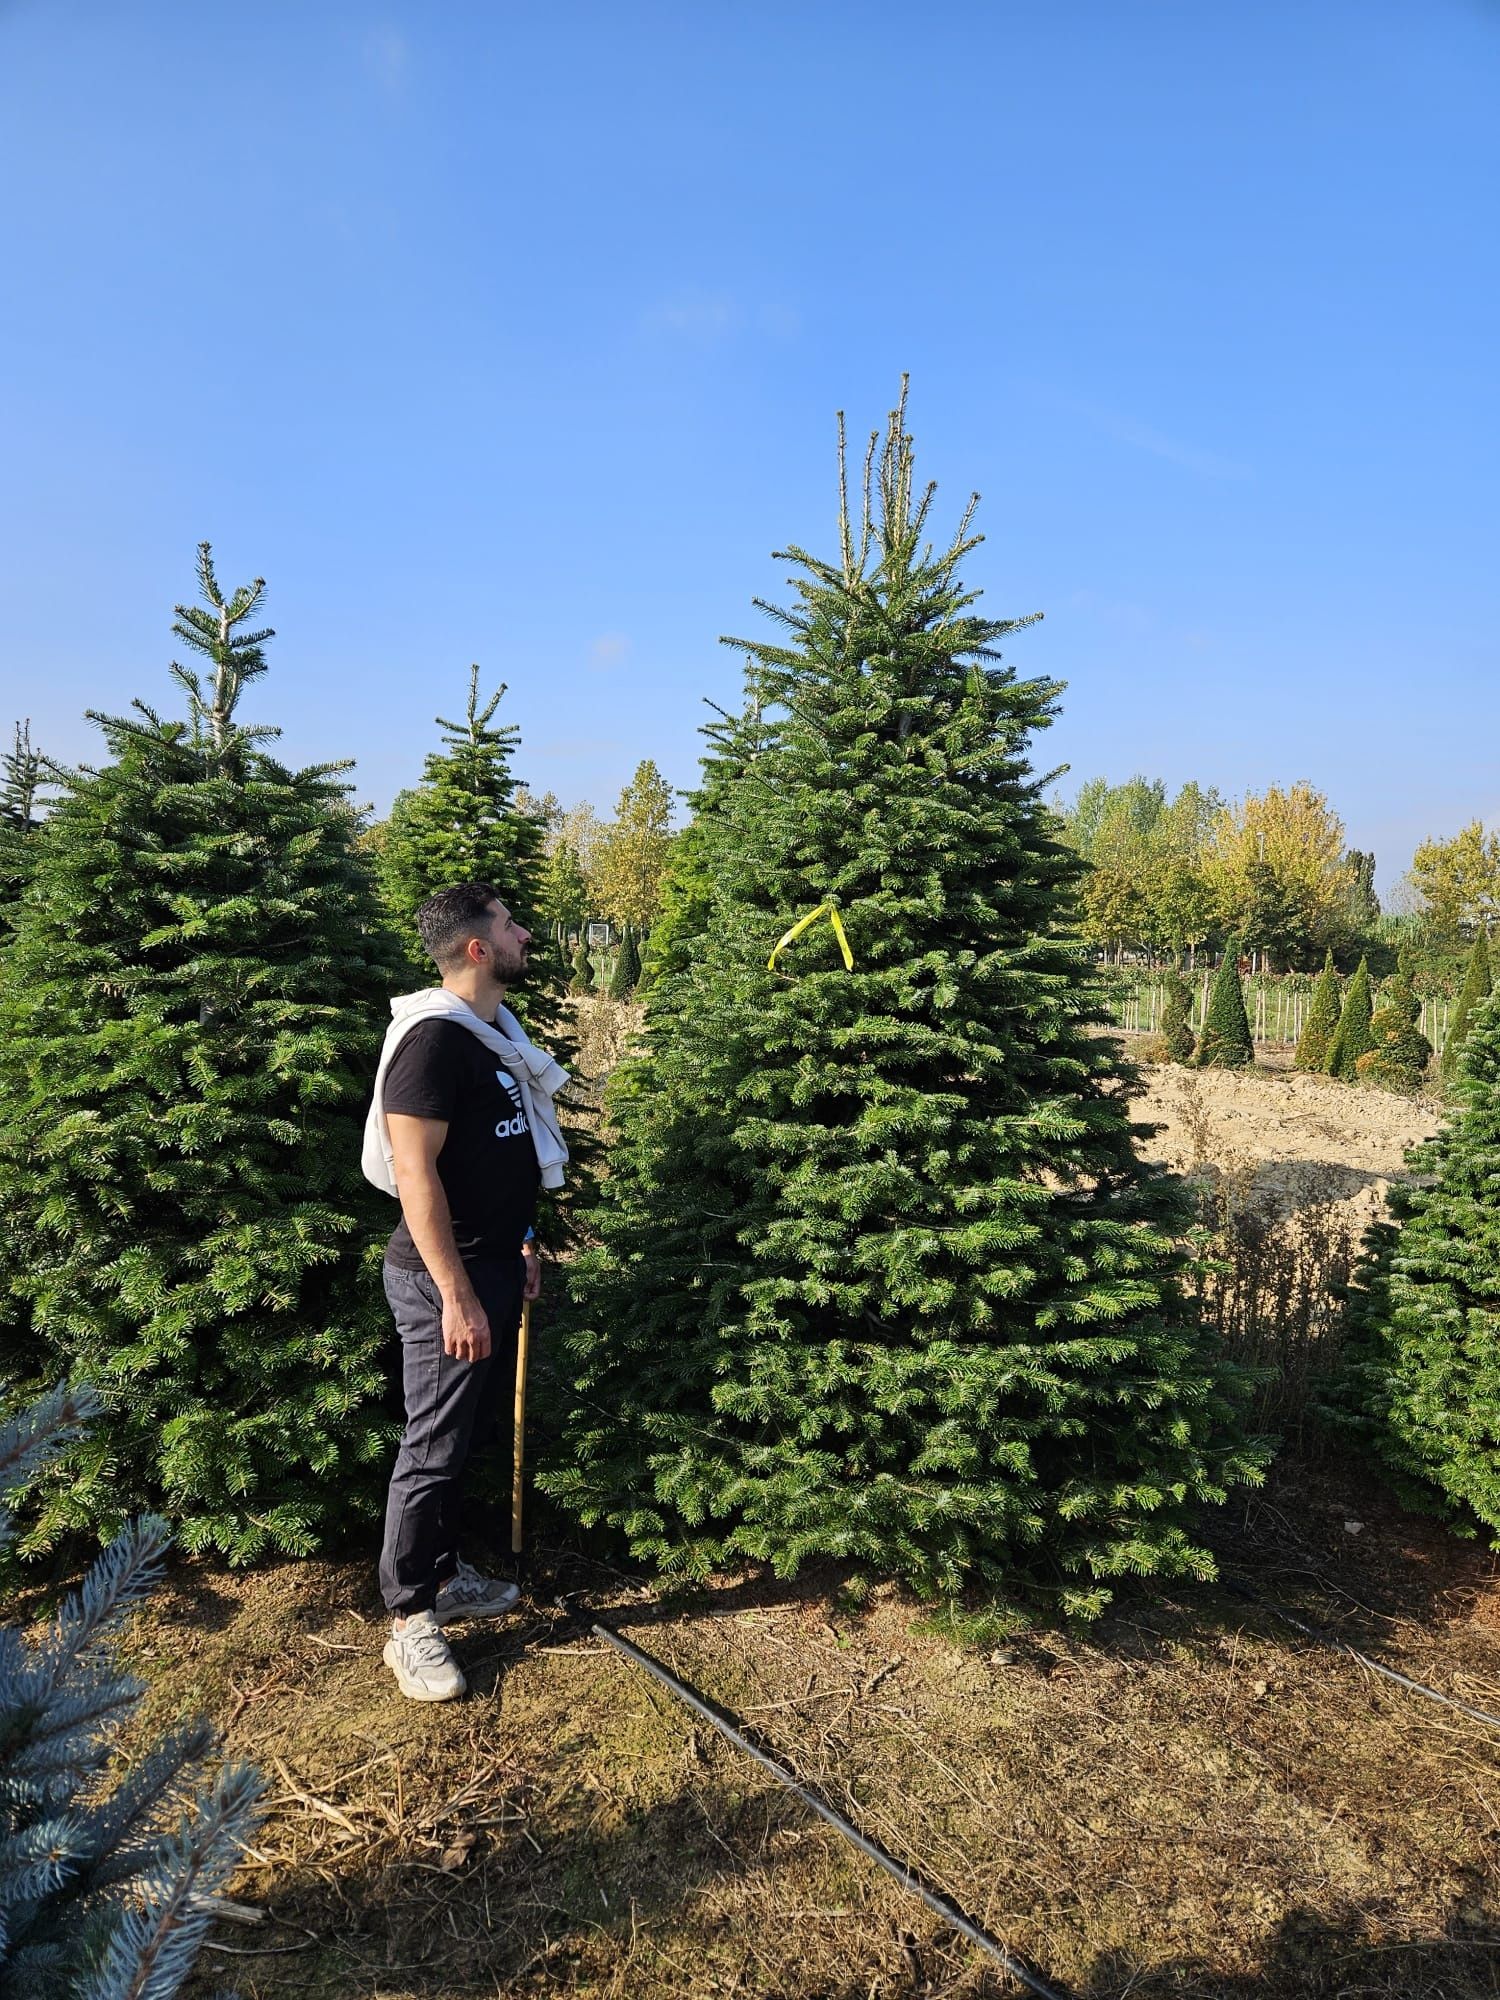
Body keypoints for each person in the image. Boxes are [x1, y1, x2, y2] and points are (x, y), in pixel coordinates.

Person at [362, 882, 570, 1701]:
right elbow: (415, 1175)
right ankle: (409, 1617)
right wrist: (455, 1294)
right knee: (434, 1445)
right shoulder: (432, 1044)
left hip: (490, 1262)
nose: (523, 934)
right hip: (437, 1276)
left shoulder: (492, 1033)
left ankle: (446, 1578)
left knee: (466, 1432)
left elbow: (500, 1155)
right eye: (510, 925)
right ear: (478, 948)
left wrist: (520, 1241)